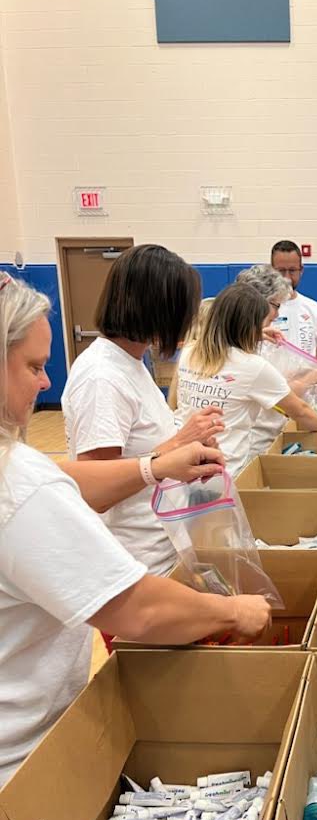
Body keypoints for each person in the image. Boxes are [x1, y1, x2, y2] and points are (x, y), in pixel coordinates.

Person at [0, 277, 272, 788]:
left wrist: (157, 465)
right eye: (34, 367)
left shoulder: (23, 469)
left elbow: (60, 475)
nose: (45, 383)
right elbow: (136, 610)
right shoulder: (21, 482)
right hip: (21, 761)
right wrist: (235, 611)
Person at [61, 245, 225, 578]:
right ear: (158, 309)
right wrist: (178, 444)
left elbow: (144, 450)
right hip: (133, 562)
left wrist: (189, 443)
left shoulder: (130, 362)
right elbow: (96, 490)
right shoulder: (102, 375)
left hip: (158, 550)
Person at [176, 280, 317, 476]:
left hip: (184, 464)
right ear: (251, 324)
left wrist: (257, 334)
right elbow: (300, 410)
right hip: (224, 470)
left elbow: (226, 344)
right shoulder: (252, 367)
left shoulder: (189, 352)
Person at [270, 240, 317, 362]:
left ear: (301, 270)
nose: (287, 277)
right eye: (281, 271)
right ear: (271, 270)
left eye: (292, 270)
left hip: (309, 375)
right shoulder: (259, 309)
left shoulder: (314, 308)